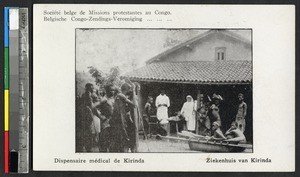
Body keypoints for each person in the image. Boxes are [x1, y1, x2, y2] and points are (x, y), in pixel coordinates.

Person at [110, 83, 136, 152]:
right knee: (121, 139)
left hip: (119, 120)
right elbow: (133, 104)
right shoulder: (121, 95)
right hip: (119, 121)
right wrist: (133, 91)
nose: (130, 91)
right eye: (129, 89)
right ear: (126, 89)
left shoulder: (120, 96)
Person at [78, 83, 100, 152]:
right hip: (87, 116)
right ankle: (88, 147)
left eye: (92, 88)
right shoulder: (88, 95)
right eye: (91, 88)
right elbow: (91, 106)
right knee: (89, 132)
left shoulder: (85, 94)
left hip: (85, 115)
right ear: (87, 88)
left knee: (87, 131)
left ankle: (86, 146)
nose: (92, 89)